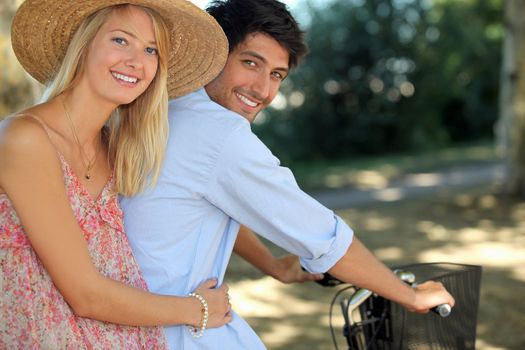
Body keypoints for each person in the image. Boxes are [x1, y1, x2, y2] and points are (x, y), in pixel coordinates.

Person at [120, 0, 455, 349]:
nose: (263, 90)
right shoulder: (221, 135)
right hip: (172, 331)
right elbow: (322, 237)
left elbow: (216, 204)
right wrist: (410, 296)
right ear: (214, 54)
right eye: (251, 63)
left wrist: (274, 265)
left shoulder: (170, 110)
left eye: (276, 75)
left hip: (146, 322)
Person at [0, 0, 231, 348]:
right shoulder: (25, 139)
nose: (137, 61)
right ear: (84, 44)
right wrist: (195, 309)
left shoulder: (117, 151)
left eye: (151, 49)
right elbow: (85, 294)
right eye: (121, 40)